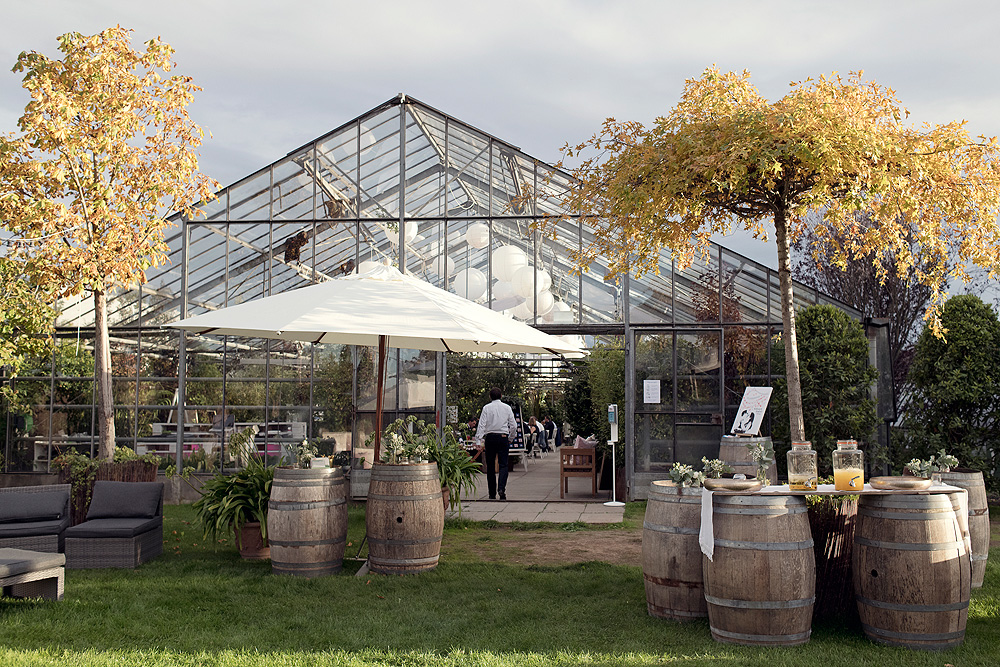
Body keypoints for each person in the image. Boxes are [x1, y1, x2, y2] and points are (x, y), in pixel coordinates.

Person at [475, 387, 517, 501]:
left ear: (490, 396)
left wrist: (478, 440)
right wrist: (511, 438)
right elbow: (513, 426)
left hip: (490, 438)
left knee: (490, 466)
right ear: (501, 396)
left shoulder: (486, 408)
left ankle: (492, 492)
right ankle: (501, 488)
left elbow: (482, 425)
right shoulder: (507, 408)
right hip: (503, 437)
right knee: (503, 464)